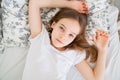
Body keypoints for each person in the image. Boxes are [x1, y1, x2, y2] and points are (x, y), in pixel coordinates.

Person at [22, 0, 110, 80]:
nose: (63, 37)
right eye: (62, 28)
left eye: (71, 35)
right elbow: (35, 2)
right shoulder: (40, 38)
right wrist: (68, 4)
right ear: (53, 24)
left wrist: (102, 50)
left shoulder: (73, 54)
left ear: (75, 38)